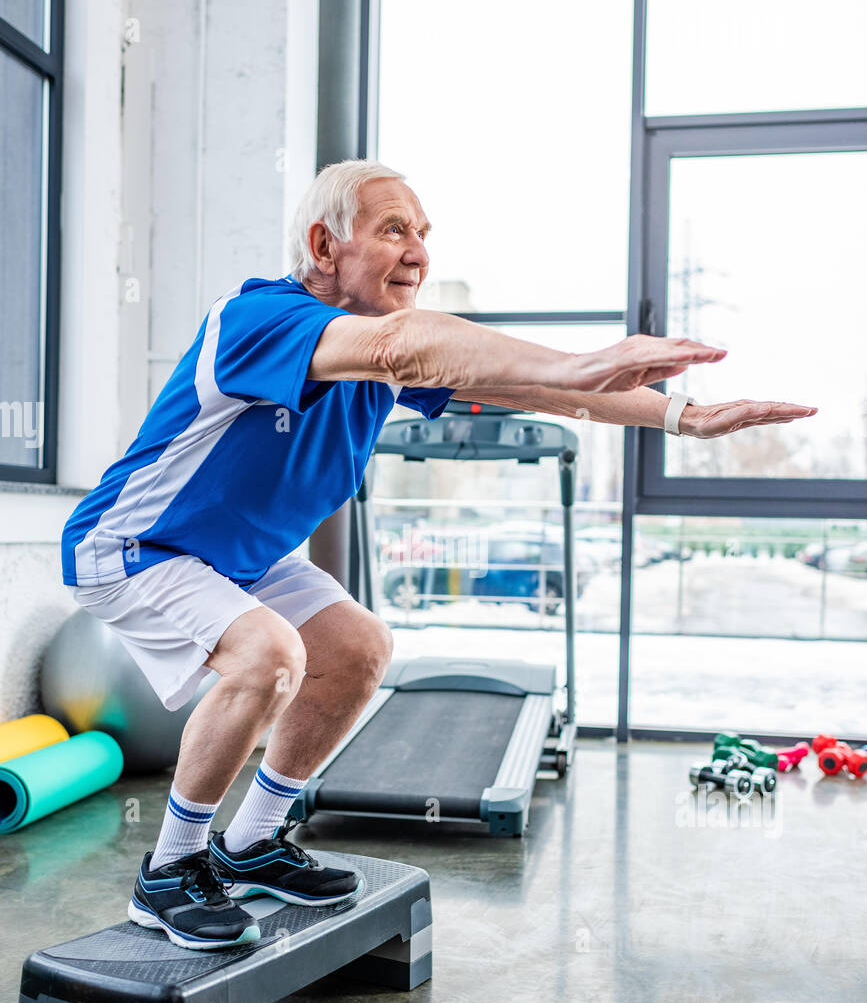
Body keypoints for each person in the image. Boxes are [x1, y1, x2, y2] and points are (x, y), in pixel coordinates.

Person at [60, 159, 817, 949]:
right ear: (323, 245)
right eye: (394, 230)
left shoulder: (377, 357)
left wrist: (678, 417)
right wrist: (574, 362)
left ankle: (249, 842)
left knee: (357, 648)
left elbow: (540, 394)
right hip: (133, 545)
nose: (419, 252)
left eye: (424, 234)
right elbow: (407, 348)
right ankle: (170, 871)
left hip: (240, 557)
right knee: (269, 654)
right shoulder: (256, 321)